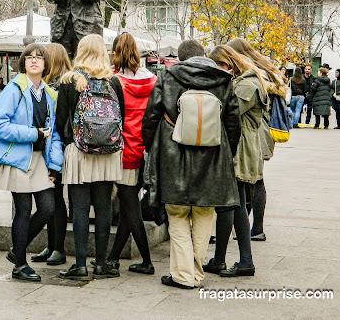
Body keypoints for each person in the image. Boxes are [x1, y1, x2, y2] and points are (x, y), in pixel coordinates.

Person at [142, 39, 240, 290]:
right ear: (205, 55)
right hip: (212, 156)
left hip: (173, 154)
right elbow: (233, 123)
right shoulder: (224, 80)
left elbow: (151, 115)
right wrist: (228, 152)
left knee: (177, 214)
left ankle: (183, 275)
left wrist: (149, 145)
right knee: (204, 213)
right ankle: (194, 274)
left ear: (180, 57)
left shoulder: (168, 77)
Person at [0, 44, 63, 282]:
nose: (34, 61)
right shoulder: (14, 89)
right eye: (29, 57)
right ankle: (20, 264)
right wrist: (33, 133)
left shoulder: (50, 94)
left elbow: (55, 134)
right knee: (23, 210)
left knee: (48, 207)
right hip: (17, 157)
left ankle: (16, 249)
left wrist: (55, 165)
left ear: (45, 64)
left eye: (39, 58)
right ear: (23, 63)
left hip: (40, 159)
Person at [55, 34, 124, 281]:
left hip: (78, 151)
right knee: (104, 208)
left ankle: (81, 264)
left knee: (80, 209)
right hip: (108, 153)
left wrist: (67, 144)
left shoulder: (69, 81)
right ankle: (102, 263)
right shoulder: (113, 82)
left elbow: (61, 119)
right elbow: (121, 118)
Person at [205, 45, 268, 278]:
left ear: (229, 64)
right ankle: (222, 259)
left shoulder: (247, 85)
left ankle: (244, 261)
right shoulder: (242, 82)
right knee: (232, 205)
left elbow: (227, 112)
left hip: (241, 149)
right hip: (238, 146)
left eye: (218, 66)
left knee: (236, 205)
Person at [227, 37, 287, 242]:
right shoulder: (266, 70)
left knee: (253, 179)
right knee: (254, 179)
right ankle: (253, 228)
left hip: (256, 129)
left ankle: (254, 228)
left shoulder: (254, 75)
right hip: (264, 128)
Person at [105, 32, 156, 275]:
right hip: (141, 148)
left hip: (122, 148)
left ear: (115, 53)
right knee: (128, 205)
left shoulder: (114, 82)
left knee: (130, 206)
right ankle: (114, 256)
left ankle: (147, 260)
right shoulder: (152, 80)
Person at [31, 42, 72, 266]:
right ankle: (51, 245)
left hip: (57, 149)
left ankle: (58, 247)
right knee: (50, 197)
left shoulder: (61, 84)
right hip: (51, 147)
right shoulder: (50, 83)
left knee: (56, 198)